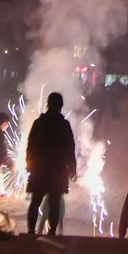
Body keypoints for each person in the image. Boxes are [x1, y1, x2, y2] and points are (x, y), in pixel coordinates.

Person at [26, 92, 76, 236]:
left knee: (36, 200)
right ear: (60, 106)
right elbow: (70, 147)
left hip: (40, 169)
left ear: (48, 104)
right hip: (57, 170)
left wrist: (29, 164)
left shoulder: (39, 123)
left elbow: (31, 146)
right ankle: (52, 233)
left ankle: (31, 231)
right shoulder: (64, 125)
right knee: (54, 202)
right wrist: (72, 167)